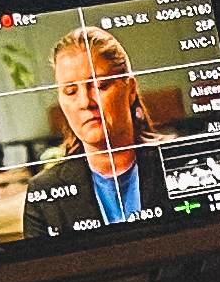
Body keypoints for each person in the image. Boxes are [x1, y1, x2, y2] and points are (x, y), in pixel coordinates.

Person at [26, 26, 172, 234]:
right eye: (70, 91)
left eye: (100, 86)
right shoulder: (44, 193)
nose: (85, 102)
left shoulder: (184, 162)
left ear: (130, 89)